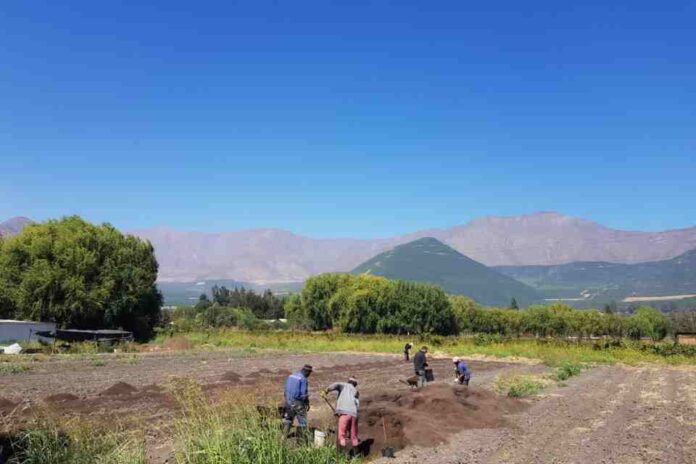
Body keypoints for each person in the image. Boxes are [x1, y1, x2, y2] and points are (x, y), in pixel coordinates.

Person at [322, 377, 360, 450]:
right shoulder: (356, 391)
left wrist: (326, 391)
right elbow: (357, 405)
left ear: (348, 381)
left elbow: (336, 384)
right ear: (355, 384)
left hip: (345, 414)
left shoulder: (344, 385)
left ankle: (342, 457)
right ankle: (356, 457)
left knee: (341, 435)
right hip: (354, 415)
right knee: (353, 436)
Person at [282, 364, 313, 435]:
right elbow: (304, 395)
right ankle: (303, 440)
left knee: (288, 419)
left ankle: (283, 437)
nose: (309, 375)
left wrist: (287, 400)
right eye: (309, 373)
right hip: (298, 403)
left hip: (288, 402)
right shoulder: (303, 379)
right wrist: (307, 404)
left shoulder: (291, 376)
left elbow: (285, 390)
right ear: (307, 372)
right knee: (303, 421)